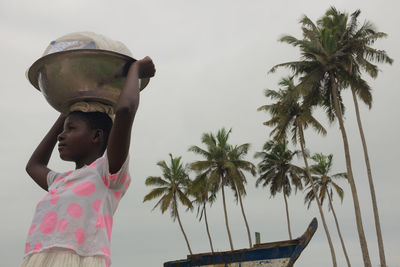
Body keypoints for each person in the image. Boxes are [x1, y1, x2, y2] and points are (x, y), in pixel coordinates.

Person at [20, 57, 156, 267]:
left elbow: (124, 111)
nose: (60, 136)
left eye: (71, 129)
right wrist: (67, 110)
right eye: (63, 130)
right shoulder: (59, 182)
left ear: (96, 136)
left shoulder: (106, 174)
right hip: (38, 260)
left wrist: (135, 71)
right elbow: (33, 166)